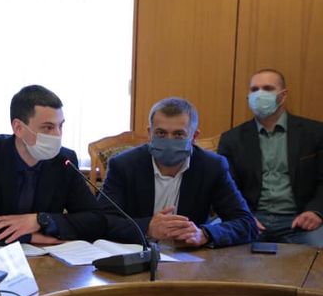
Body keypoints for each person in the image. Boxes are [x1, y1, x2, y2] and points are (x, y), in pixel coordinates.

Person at [0, 84, 106, 247]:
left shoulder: (64, 160)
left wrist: (41, 220)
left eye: (60, 126)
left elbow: (96, 220)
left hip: (46, 258)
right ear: (19, 128)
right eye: (48, 127)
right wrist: (28, 237)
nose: (57, 135)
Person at [100, 97, 257, 247]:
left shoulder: (212, 167)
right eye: (161, 133)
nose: (169, 140)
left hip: (188, 255)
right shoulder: (123, 165)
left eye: (178, 134)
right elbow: (102, 221)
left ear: (194, 137)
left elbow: (246, 223)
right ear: (150, 133)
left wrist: (204, 234)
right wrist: (147, 227)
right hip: (136, 252)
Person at [218, 69, 323, 246]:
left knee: (317, 254)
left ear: (283, 95)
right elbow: (225, 185)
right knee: (218, 245)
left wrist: (316, 212)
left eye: (267, 88)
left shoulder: (315, 133)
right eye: (254, 89)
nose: (259, 94)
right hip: (251, 218)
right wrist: (242, 216)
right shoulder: (231, 139)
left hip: (299, 220)